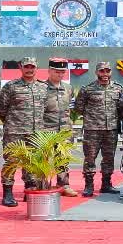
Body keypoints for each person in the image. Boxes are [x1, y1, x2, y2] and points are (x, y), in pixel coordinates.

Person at [0, 56, 47, 207]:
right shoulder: (11, 86)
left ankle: (29, 189)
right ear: (21, 68)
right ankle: (7, 193)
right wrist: (13, 123)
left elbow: (44, 109)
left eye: (32, 67)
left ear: (36, 68)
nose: (29, 70)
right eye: (26, 67)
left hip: (36, 132)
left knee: (31, 163)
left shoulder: (43, 87)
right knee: (11, 162)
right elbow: (2, 109)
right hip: (14, 131)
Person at [73, 61, 123, 196]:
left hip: (111, 129)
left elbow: (121, 108)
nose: (105, 74)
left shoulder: (118, 89)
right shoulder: (87, 89)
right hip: (92, 129)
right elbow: (79, 108)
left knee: (109, 158)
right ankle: (89, 186)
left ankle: (106, 184)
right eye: (102, 71)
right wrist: (92, 117)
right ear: (96, 72)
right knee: (90, 158)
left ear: (111, 72)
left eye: (107, 71)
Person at [42, 58, 78, 197]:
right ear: (49, 71)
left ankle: (63, 185)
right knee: (43, 159)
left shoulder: (68, 88)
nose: (60, 74)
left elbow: (72, 109)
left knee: (63, 158)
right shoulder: (41, 87)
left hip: (64, 130)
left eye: (62, 72)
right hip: (46, 129)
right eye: (57, 71)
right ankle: (43, 185)